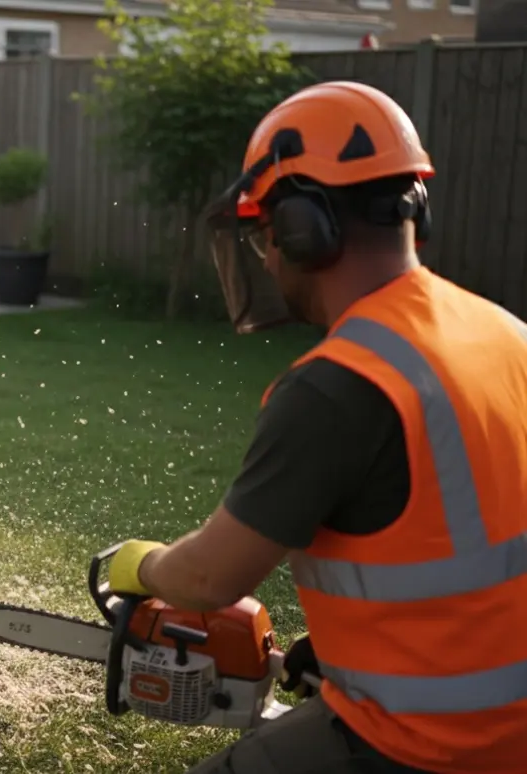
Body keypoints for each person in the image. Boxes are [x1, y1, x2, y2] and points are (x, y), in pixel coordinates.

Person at [104, 81, 527, 773]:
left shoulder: (342, 383)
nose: (268, 256)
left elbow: (211, 577)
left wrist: (142, 566)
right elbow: (470, 534)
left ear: (304, 227)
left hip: (442, 745)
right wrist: (339, 652)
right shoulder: (503, 331)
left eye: (268, 235)